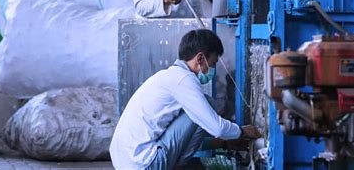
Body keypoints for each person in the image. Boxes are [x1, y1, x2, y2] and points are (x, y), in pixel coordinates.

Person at [110, 29, 261, 169]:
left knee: (199, 115)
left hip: (126, 162)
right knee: (207, 104)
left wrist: (224, 143)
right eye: (213, 64)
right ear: (200, 58)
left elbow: (187, 141)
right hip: (145, 163)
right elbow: (217, 127)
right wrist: (241, 131)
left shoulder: (167, 77)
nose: (212, 70)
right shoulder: (184, 79)